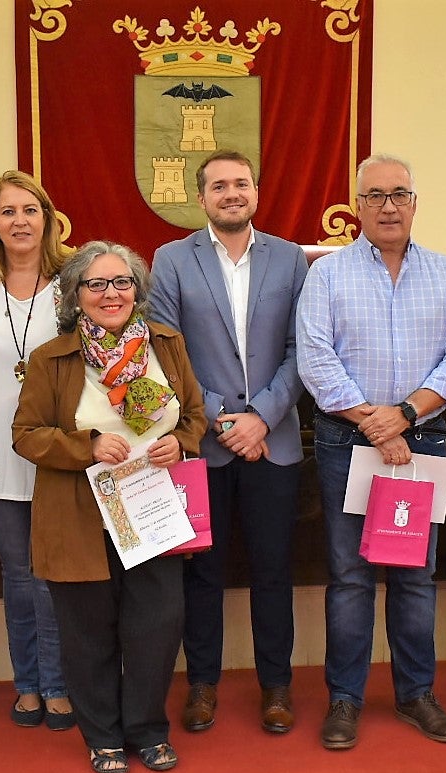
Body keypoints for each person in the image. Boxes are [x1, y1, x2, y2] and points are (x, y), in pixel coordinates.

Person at [297, 153, 446, 750]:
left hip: (420, 438)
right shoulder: (326, 274)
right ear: (357, 207)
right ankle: (344, 701)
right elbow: (316, 358)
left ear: (416, 203)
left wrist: (402, 415)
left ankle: (415, 695)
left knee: (415, 577)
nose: (388, 206)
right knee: (350, 577)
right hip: (345, 440)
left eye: (399, 193)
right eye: (374, 196)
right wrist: (374, 423)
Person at [12, 240, 206, 773]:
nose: (111, 293)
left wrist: (181, 443)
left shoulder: (165, 345)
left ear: (137, 290)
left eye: (121, 282)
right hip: (78, 515)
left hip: (152, 510)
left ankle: (147, 730)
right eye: (96, 284)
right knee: (87, 632)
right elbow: (25, 435)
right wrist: (88, 445)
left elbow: (194, 414)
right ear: (76, 297)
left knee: (156, 629)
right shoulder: (52, 358)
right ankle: (102, 736)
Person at [149, 150, 307, 735]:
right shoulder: (170, 260)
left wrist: (261, 417)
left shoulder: (291, 260)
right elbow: (165, 351)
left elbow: (301, 350)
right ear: (202, 197)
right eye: (220, 185)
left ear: (257, 192)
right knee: (202, 575)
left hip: (274, 442)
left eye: (241, 184)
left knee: (273, 571)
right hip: (203, 445)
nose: (232, 193)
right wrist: (221, 418)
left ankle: (277, 686)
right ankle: (203, 685)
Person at [0, 171, 75, 731]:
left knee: (55, 574)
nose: (19, 221)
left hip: (64, 453)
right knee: (18, 574)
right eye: (8, 212)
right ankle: (27, 684)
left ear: (47, 218)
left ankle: (60, 684)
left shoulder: (75, 280)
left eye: (30, 210)